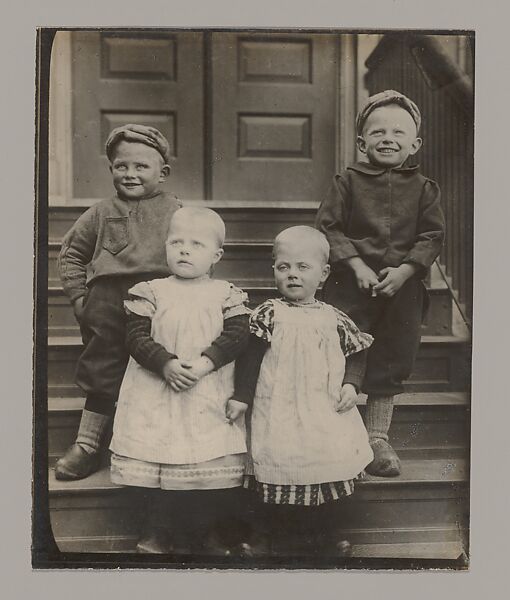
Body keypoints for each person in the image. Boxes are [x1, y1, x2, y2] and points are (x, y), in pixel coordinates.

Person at [316, 90, 446, 477]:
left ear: (414, 143)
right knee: (344, 351)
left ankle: (377, 437)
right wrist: (355, 264)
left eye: (399, 132)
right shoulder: (348, 182)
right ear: (362, 142)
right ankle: (335, 430)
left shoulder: (425, 188)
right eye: (378, 132)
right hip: (349, 283)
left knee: (390, 357)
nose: (388, 138)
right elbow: (329, 226)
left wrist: (407, 271)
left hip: (400, 290)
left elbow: (431, 236)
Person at [109, 207, 252, 555]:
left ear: (216, 255)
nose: (184, 250)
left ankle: (208, 533)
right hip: (157, 390)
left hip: (207, 391)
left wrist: (205, 364)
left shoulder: (226, 294)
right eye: (176, 242)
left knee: (205, 467)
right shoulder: (151, 291)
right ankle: (158, 530)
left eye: (196, 244)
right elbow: (136, 337)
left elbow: (237, 335)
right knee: (160, 463)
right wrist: (166, 364)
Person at [234, 226, 373, 557]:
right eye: (284, 267)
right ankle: (265, 535)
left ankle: (326, 535)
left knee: (325, 464)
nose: (292, 275)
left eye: (302, 267)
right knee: (277, 464)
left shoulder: (335, 318)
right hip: (277, 407)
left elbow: (357, 352)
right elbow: (250, 359)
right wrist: (242, 396)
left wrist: (352, 384)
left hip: (323, 409)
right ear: (274, 272)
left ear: (323, 274)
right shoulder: (268, 313)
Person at [55, 124, 182, 481]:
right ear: (111, 169)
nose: (130, 174)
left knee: (155, 368)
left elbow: (196, 248)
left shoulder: (176, 210)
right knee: (103, 368)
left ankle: (150, 446)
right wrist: (80, 297)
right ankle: (88, 444)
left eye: (142, 167)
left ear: (163, 172)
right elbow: (72, 254)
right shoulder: (100, 212)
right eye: (121, 166)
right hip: (109, 303)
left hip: (160, 302)